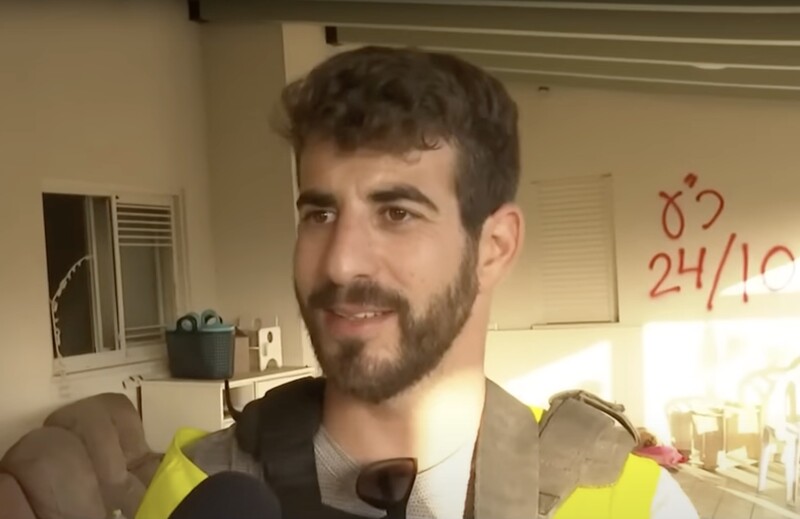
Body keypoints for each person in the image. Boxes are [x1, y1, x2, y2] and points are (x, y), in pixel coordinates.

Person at [136, 46, 699, 519]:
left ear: (494, 247)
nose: (339, 264)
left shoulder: (627, 501)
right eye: (320, 215)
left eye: (396, 213)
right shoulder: (195, 488)